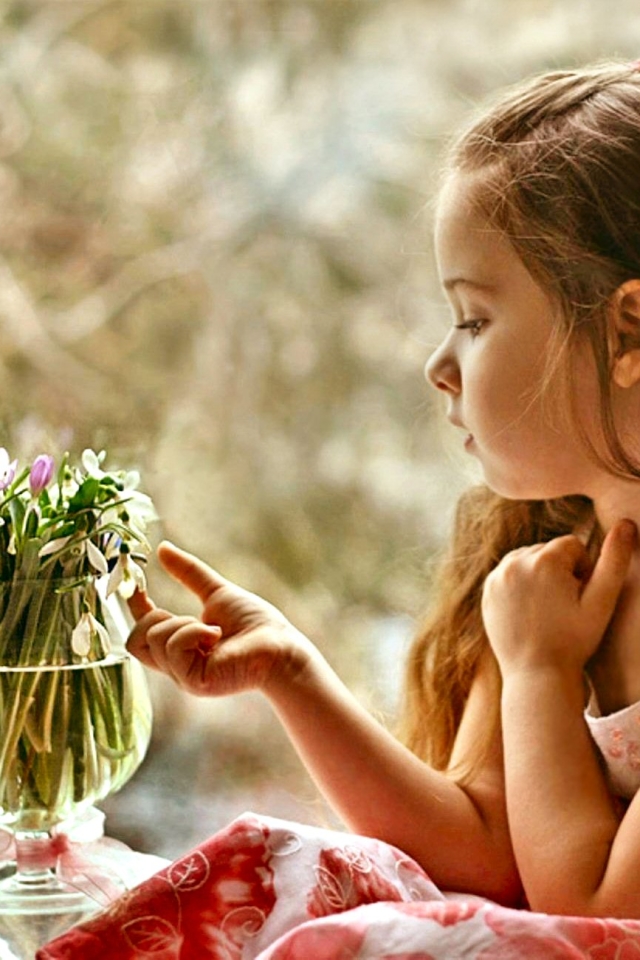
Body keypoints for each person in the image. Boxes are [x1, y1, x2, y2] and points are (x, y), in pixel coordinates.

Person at [37, 59, 640, 959]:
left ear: (627, 333)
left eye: (475, 319)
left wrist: (545, 671)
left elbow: (596, 908)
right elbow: (484, 855)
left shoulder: (539, 627)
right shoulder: (547, 564)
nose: (441, 365)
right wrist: (293, 675)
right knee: (285, 866)